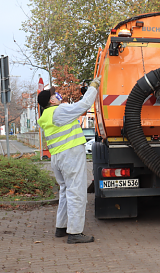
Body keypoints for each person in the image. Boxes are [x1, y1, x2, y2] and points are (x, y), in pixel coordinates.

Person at [37, 77, 101, 244]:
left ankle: (61, 227)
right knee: (76, 193)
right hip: (70, 155)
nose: (57, 94)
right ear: (51, 100)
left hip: (58, 157)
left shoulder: (48, 115)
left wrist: (84, 94)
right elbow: (83, 106)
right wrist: (94, 87)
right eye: (54, 94)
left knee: (65, 191)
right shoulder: (59, 111)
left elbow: (75, 108)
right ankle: (75, 233)